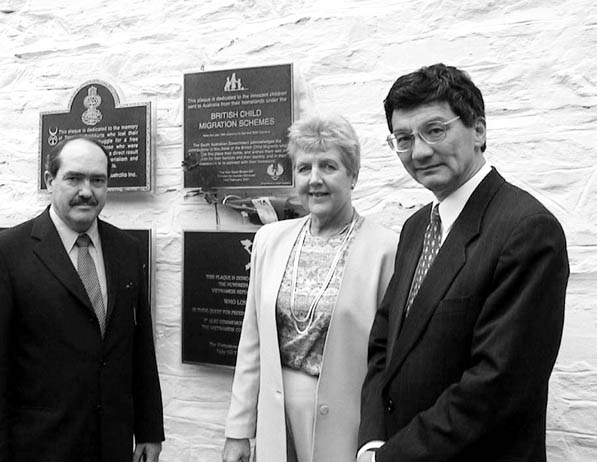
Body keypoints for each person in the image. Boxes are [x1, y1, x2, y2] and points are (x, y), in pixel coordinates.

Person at [358, 64, 569, 462]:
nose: (419, 151)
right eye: (403, 138)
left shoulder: (526, 230)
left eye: (435, 130)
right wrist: (371, 440)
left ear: (479, 131)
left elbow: (497, 386)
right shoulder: (416, 227)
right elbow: (384, 347)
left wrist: (390, 457)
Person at [0, 136, 164, 462]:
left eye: (98, 180)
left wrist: (150, 430)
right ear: (49, 181)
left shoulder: (127, 251)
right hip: (38, 448)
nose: (87, 190)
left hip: (112, 446)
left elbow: (140, 348)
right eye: (74, 178)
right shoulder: (4, 255)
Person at [222, 115, 398, 462]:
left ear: (354, 175)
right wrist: (238, 430)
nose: (314, 180)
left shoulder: (386, 249)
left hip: (347, 423)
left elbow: (388, 359)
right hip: (276, 418)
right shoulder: (269, 240)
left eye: (329, 166)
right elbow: (252, 341)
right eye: (304, 168)